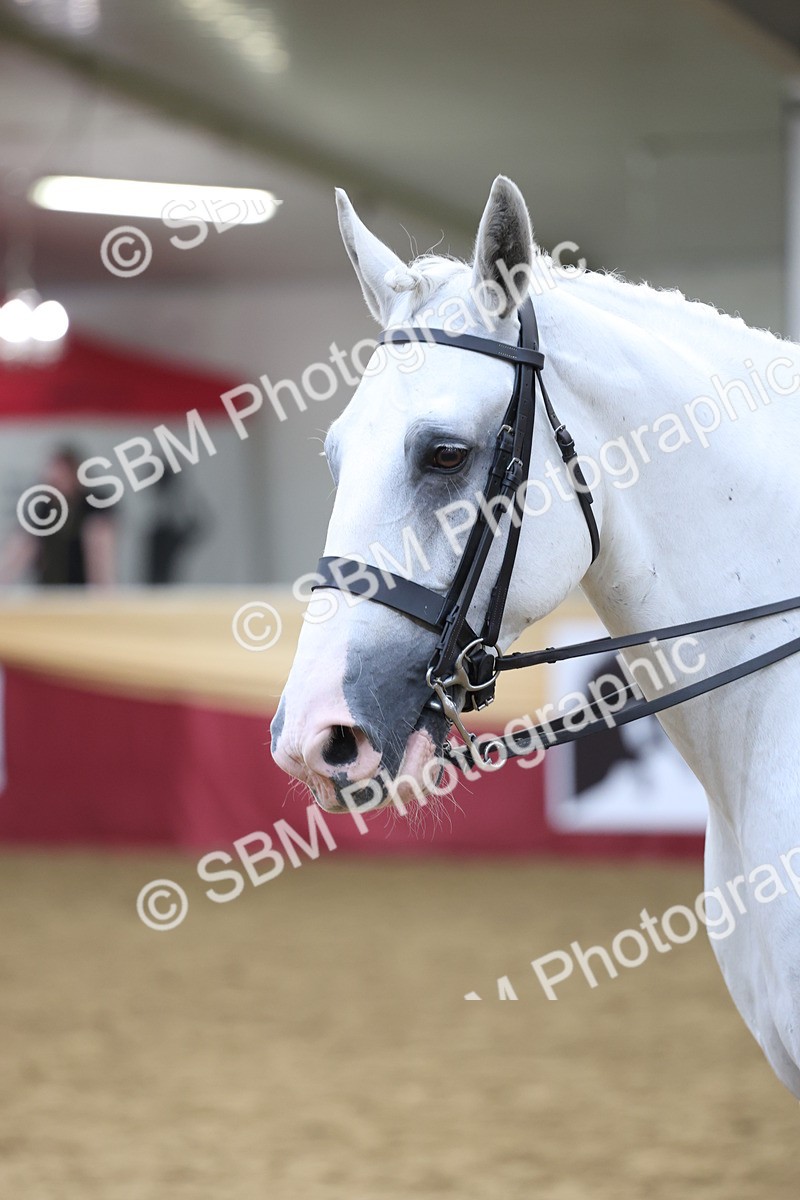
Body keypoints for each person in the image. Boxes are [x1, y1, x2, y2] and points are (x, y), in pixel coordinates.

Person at [0, 445, 117, 586]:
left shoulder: (93, 507)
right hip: (49, 590)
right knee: (25, 539)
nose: (55, 482)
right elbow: (20, 549)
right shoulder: (42, 509)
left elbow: (101, 553)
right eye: (52, 480)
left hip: (82, 590)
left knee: (97, 531)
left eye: (61, 477)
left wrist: (103, 594)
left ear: (75, 476)